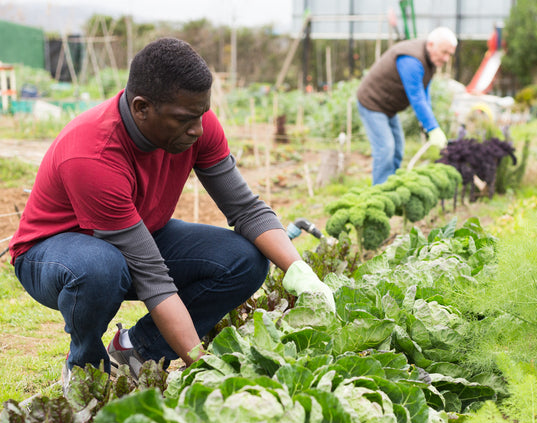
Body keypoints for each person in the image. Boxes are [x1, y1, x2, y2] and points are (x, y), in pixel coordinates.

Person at [9, 37, 334, 390]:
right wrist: (202, 363)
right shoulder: (93, 155)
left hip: (137, 235)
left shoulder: (196, 126)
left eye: (201, 114)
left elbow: (245, 208)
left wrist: (300, 272)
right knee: (100, 269)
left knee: (244, 259)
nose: (197, 129)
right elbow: (152, 276)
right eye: (184, 119)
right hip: (54, 256)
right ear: (142, 107)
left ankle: (136, 351)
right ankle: (85, 367)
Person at [356, 26, 458, 185]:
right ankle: (379, 195)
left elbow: (425, 93)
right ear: (431, 45)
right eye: (444, 52)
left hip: (388, 108)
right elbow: (416, 97)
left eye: (449, 55)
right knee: (385, 149)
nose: (446, 59)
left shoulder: (429, 59)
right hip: (372, 102)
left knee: (397, 150)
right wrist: (432, 128)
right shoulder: (412, 60)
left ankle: (391, 187)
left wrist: (427, 123)